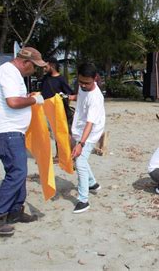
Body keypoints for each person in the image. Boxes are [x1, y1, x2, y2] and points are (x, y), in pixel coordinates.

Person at [0, 47, 47, 236]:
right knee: (17, 172)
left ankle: (15, 211)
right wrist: (35, 101)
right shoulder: (9, 73)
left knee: (19, 171)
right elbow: (13, 102)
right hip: (6, 131)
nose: (35, 71)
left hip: (12, 131)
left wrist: (28, 98)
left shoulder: (12, 73)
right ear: (26, 62)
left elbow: (15, 100)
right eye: (34, 67)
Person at [71, 63, 105, 214]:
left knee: (80, 161)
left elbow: (90, 124)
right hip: (79, 127)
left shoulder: (96, 98)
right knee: (81, 160)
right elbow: (81, 97)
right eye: (81, 82)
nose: (83, 85)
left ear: (95, 78)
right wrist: (69, 97)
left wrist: (81, 144)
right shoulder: (82, 86)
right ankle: (93, 184)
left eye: (87, 83)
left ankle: (83, 200)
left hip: (91, 132)